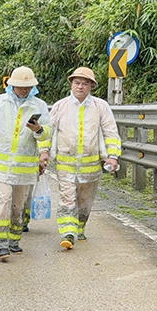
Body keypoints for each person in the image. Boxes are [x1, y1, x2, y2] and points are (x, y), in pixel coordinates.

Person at [48, 67, 121, 250]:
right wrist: (44, 153)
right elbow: (48, 132)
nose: (80, 86)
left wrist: (112, 156)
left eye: (85, 83)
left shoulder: (100, 106)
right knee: (67, 199)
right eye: (77, 82)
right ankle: (68, 232)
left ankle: (79, 228)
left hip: (91, 165)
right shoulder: (60, 106)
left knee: (85, 201)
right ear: (71, 84)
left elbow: (110, 132)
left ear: (91, 86)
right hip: (65, 163)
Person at [0, 66, 50, 261]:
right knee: (2, 201)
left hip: (25, 167)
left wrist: (39, 130)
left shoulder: (39, 106)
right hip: (1, 167)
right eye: (20, 86)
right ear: (11, 85)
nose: (24, 90)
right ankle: (1, 244)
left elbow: (47, 134)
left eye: (28, 87)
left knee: (18, 206)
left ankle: (14, 241)